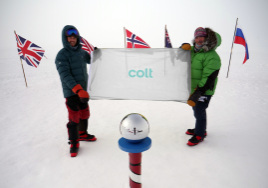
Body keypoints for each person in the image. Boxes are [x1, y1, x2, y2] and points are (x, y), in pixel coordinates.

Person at [55, 25, 97, 157]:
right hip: (72, 92)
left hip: (83, 91)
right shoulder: (62, 55)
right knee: (74, 117)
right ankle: (74, 142)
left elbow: (91, 60)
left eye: (74, 37)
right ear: (65, 38)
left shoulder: (81, 52)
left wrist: (97, 53)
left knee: (84, 114)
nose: (72, 39)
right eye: (69, 37)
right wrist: (78, 90)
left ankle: (83, 134)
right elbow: (65, 75)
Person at [180, 27, 221, 146]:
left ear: (207, 39)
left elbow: (209, 76)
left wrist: (200, 91)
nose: (199, 39)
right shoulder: (193, 51)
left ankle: (199, 134)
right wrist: (181, 49)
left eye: (202, 37)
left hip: (204, 90)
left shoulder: (212, 56)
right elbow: (178, 59)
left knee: (199, 111)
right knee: (197, 110)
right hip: (194, 89)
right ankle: (201, 128)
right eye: (197, 37)